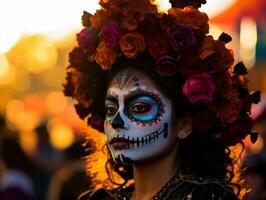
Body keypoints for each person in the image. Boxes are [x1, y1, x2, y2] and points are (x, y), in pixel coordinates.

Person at [63, 0, 260, 199]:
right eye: (111, 109)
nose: (116, 122)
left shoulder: (207, 196)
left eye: (139, 107)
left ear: (184, 124)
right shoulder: (97, 199)